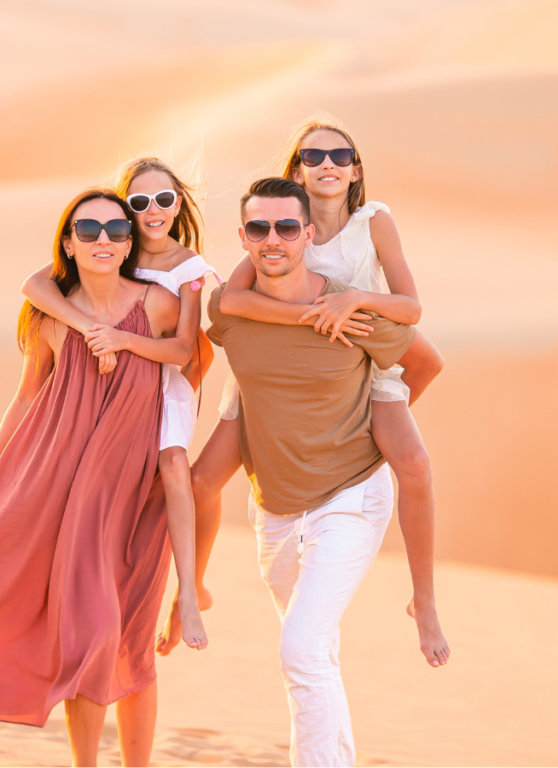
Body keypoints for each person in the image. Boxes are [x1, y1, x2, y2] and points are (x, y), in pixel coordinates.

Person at [160, 119, 450, 671]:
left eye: (341, 155)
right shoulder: (279, 221)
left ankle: (425, 601)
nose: (327, 164)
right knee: (200, 481)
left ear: (356, 170)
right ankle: (191, 588)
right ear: (295, 170)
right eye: (312, 155)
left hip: (357, 364)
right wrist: (304, 316)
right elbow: (231, 301)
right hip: (269, 375)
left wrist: (351, 307)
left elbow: (412, 311)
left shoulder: (374, 222)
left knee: (413, 461)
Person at [0, 188, 182, 767]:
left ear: (131, 240)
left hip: (134, 489)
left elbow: (188, 373)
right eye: (88, 231)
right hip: (57, 483)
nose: (104, 240)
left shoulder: (160, 306)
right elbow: (27, 397)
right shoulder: (48, 317)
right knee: (85, 633)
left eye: (116, 230)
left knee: (122, 639)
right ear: (68, 242)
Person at [205, 177, 427, 766]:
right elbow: (215, 314)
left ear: (309, 233)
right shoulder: (229, 312)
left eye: (286, 227)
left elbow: (423, 361)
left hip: (350, 498)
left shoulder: (352, 308)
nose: (272, 239)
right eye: (259, 227)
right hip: (274, 509)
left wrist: (375, 432)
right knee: (315, 655)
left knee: (301, 651)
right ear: (243, 237)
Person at [21, 157, 217, 651]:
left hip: (165, 380)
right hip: (108, 380)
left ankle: (188, 595)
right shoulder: (114, 248)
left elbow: (181, 350)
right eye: (140, 202)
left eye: (165, 200)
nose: (153, 211)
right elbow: (35, 285)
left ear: (178, 205)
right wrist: (92, 330)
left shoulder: (189, 269)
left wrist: (122, 341)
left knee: (173, 465)